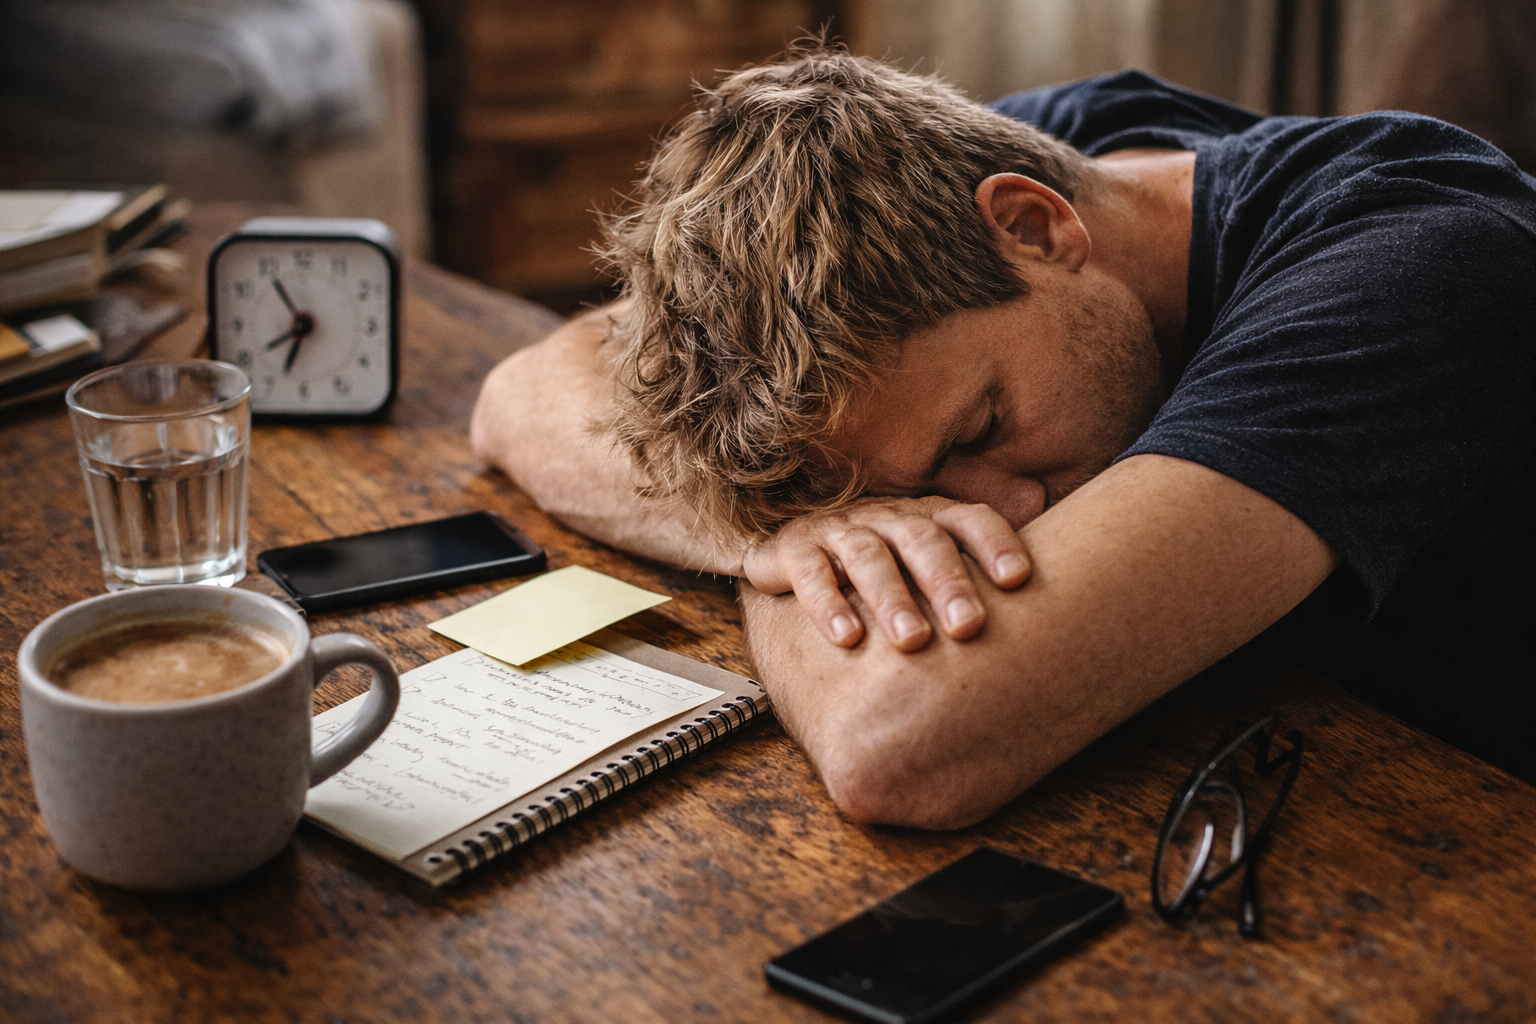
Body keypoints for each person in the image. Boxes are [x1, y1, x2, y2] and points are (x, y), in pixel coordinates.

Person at [471, 45, 1535, 821]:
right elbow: (522, 392)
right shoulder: (1005, 162)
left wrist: (798, 545)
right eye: (892, 493)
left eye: (982, 425)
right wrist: (764, 534)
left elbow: (898, 742)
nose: (1000, 512)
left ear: (1036, 226)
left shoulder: (1418, 272)